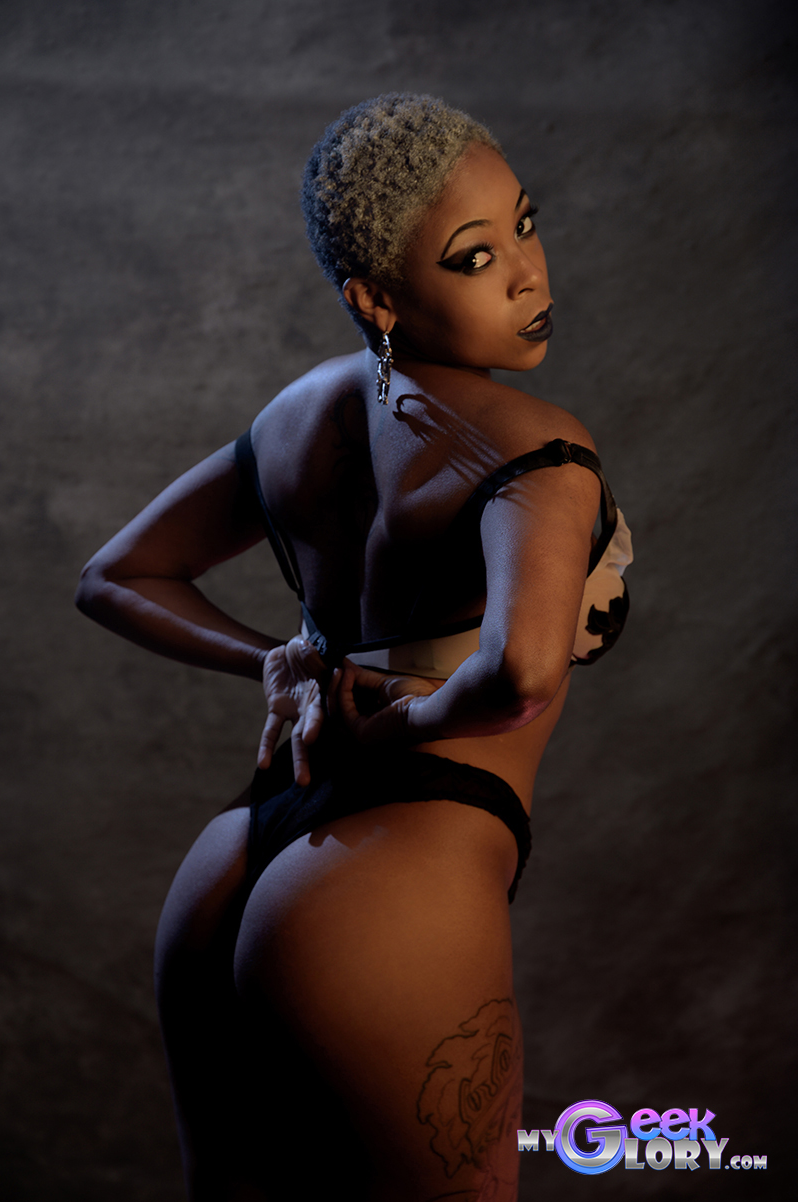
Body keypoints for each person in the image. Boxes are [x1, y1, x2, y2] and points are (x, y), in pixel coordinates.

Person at [76, 94, 632, 1202]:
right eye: (475, 256)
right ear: (374, 298)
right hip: (393, 884)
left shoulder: (298, 415)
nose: (528, 272)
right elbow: (521, 675)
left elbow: (116, 576)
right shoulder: (536, 447)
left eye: (524, 224)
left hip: (233, 860)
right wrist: (404, 722)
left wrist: (277, 661)